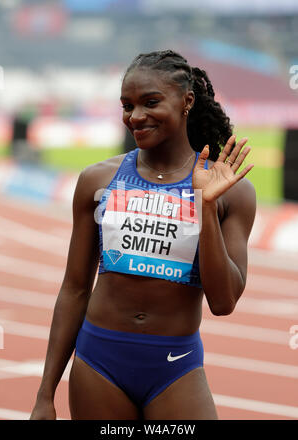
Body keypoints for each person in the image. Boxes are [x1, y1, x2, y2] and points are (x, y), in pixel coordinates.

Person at [30, 50, 256, 420]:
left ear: (187, 101)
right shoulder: (96, 180)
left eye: (151, 102)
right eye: (127, 105)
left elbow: (224, 301)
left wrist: (206, 206)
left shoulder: (231, 192)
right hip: (99, 361)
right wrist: (44, 395)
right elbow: (74, 289)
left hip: (175, 365)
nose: (135, 117)